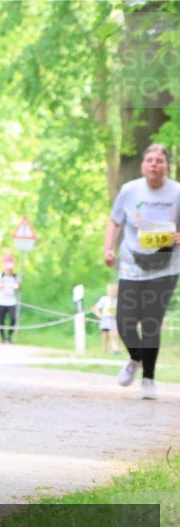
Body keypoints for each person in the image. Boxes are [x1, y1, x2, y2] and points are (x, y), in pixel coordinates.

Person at [103, 143, 180, 400]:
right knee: (124, 321)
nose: (154, 164)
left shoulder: (177, 192)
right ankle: (135, 359)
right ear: (143, 165)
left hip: (165, 266)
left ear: (167, 165)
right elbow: (114, 221)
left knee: (150, 322)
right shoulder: (129, 190)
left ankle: (149, 379)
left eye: (159, 160)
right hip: (131, 265)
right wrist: (108, 249)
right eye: (150, 160)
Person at [0, 262, 20, 343]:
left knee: (13, 319)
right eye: (8, 269)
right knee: (1, 321)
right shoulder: (0, 275)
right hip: (1, 301)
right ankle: (2, 338)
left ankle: (9, 336)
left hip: (12, 302)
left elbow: (19, 288)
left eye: (10, 269)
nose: (9, 271)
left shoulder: (15, 277)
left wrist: (17, 285)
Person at [90, 283, 120, 354]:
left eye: (114, 291)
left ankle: (115, 349)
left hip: (115, 320)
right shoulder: (104, 299)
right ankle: (105, 350)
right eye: (110, 291)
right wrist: (99, 315)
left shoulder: (119, 300)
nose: (112, 293)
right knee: (106, 336)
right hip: (106, 320)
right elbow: (95, 308)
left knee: (114, 334)